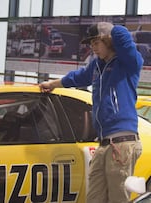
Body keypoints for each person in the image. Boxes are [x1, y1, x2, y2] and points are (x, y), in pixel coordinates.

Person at [39, 22, 143, 203]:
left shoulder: (128, 63)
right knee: (94, 198)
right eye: (91, 44)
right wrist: (51, 84)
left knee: (118, 199)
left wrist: (110, 30)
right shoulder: (96, 66)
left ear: (108, 41)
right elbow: (76, 77)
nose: (93, 47)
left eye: (97, 42)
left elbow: (123, 36)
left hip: (122, 144)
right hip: (103, 144)